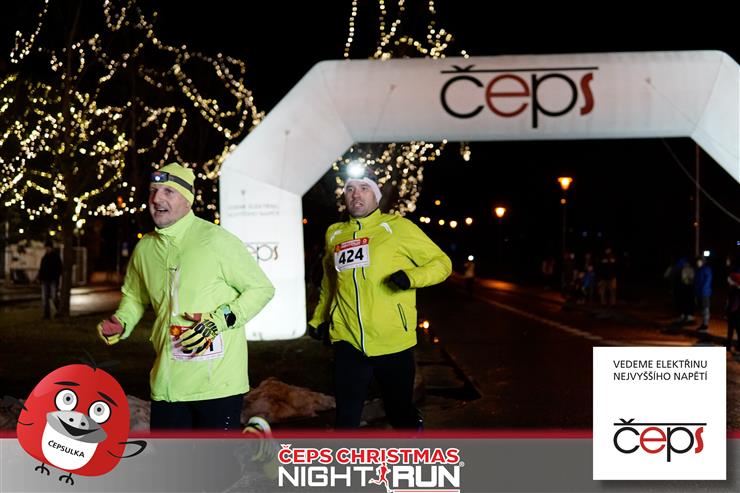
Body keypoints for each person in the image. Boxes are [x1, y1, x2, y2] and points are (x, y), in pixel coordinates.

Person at [96, 162, 275, 431]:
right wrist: (122, 321)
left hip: (217, 385)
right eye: (153, 191)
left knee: (214, 459)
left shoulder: (216, 240)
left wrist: (217, 321)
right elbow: (134, 296)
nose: (157, 199)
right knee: (172, 458)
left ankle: (254, 447)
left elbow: (261, 288)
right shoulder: (145, 248)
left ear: (187, 200)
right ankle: (253, 443)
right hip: (167, 384)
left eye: (168, 191)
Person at [308, 173, 451, 429]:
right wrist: (319, 317)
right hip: (348, 338)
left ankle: (412, 434)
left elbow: (442, 263)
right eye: (350, 189)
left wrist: (411, 277)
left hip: (392, 339)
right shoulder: (335, 234)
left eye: (364, 188)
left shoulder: (397, 227)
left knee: (399, 413)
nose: (356, 194)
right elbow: (330, 282)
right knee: (346, 418)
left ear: (376, 196)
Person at [37, 240, 63, 319]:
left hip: (53, 280)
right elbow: (42, 269)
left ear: (51, 248)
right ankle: (46, 314)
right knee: (45, 298)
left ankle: (58, 311)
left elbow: (59, 268)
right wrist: (40, 278)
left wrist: (56, 277)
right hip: (45, 280)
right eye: (46, 248)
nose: (47, 249)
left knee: (54, 297)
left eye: (48, 247)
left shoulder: (55, 257)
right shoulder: (44, 258)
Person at [725, 255, 740, 353]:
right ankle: (729, 345)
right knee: (731, 329)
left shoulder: (735, 290)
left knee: (736, 329)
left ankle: (731, 345)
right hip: (733, 311)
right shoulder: (732, 289)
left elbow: (734, 302)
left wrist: (730, 311)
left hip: (735, 312)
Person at [694, 255, 712, 333]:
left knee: (705, 309)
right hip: (699, 293)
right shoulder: (698, 270)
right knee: (701, 309)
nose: (697, 263)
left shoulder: (706, 269)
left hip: (704, 293)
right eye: (697, 261)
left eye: (699, 261)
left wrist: (703, 290)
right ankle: (703, 324)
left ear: (703, 262)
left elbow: (707, 281)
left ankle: (705, 326)